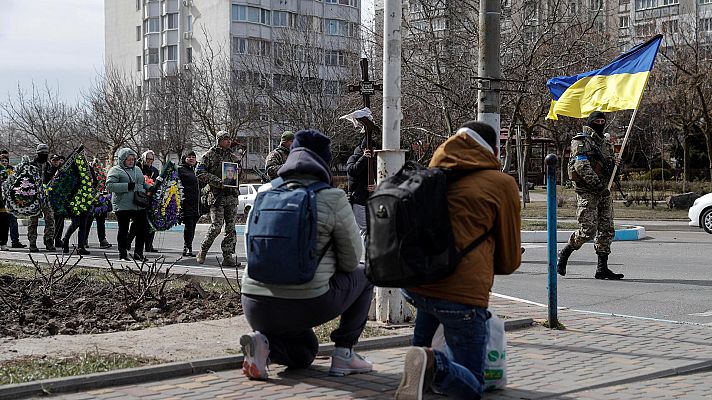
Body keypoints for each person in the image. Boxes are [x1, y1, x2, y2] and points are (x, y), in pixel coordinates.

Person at [395, 121, 522, 400]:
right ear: (494, 149)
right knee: (472, 384)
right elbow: (509, 260)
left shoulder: (428, 176)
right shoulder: (501, 184)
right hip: (460, 295)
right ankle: (435, 365)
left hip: (417, 285)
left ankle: (422, 365)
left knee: (423, 355)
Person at [240, 129, 373, 380]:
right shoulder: (331, 197)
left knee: (305, 354)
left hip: (255, 304)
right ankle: (344, 354)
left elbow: (252, 250)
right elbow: (352, 259)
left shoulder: (265, 193)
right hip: (307, 302)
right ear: (324, 162)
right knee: (366, 274)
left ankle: (263, 347)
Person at [557, 111, 624, 280]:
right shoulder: (581, 141)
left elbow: (610, 167)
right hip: (588, 191)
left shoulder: (606, 144)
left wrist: (616, 165)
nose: (600, 123)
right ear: (591, 122)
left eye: (603, 121)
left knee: (606, 230)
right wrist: (598, 185)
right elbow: (581, 166)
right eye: (597, 121)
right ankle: (564, 253)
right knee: (588, 230)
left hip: (604, 192)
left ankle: (602, 268)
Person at [195, 130, 241, 266]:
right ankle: (203, 250)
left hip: (231, 196)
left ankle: (228, 256)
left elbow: (238, 177)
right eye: (225, 139)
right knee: (216, 227)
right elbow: (199, 172)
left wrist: (238, 174)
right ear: (219, 140)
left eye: (229, 139)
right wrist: (217, 181)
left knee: (231, 228)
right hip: (217, 196)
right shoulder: (209, 155)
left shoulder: (233, 157)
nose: (228, 141)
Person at [106, 148, 149, 262]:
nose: (131, 161)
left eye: (133, 159)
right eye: (128, 159)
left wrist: (152, 189)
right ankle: (123, 254)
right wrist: (126, 186)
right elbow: (109, 186)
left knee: (143, 228)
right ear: (122, 160)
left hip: (138, 203)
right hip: (123, 204)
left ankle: (138, 253)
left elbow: (142, 183)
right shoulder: (115, 170)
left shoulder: (138, 169)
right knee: (123, 230)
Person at [346, 122, 379, 243]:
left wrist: (375, 187)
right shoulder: (354, 158)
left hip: (369, 199)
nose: (374, 152)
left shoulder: (373, 161)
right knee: (364, 230)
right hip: (358, 199)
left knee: (370, 230)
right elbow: (352, 171)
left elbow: (377, 176)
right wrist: (364, 158)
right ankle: (367, 258)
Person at [27, 144, 56, 252]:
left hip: (45, 196)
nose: (44, 155)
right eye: (42, 153)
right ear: (37, 153)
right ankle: (32, 242)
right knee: (33, 220)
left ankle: (49, 240)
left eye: (46, 153)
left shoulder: (48, 165)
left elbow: (51, 179)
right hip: (33, 197)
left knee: (50, 219)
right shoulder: (31, 165)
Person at [84, 157, 113, 249]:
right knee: (88, 221)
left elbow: (105, 184)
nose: (96, 165)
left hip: (101, 199)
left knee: (101, 221)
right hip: (91, 199)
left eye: (97, 163)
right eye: (95, 163)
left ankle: (102, 240)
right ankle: (84, 240)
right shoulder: (88, 173)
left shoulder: (102, 173)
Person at [177, 150, 200, 257]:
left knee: (193, 226)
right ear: (184, 158)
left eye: (193, 157)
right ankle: (186, 247)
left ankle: (189, 247)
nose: (191, 158)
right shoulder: (180, 170)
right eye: (189, 157)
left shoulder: (197, 170)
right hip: (185, 203)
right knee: (189, 226)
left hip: (196, 204)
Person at [0, 152, 25, 248]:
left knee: (11, 222)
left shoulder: (12, 171)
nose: (4, 162)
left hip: (10, 201)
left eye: (6, 161)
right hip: (1, 202)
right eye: (2, 161)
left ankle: (13, 242)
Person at [50, 154, 66, 248]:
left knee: (60, 220)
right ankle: (50, 239)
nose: (55, 162)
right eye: (54, 160)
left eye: (57, 160)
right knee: (51, 221)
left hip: (60, 198)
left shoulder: (62, 170)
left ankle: (58, 239)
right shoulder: (48, 170)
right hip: (51, 198)